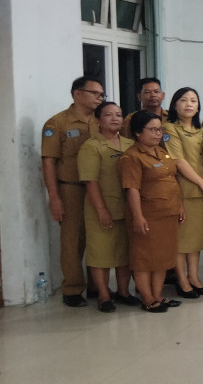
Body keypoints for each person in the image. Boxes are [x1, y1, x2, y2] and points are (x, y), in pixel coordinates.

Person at [42, 76, 103, 307]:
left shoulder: (101, 120)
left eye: (101, 94)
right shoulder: (57, 123)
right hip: (71, 189)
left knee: (98, 236)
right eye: (95, 93)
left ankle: (98, 285)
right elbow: (48, 162)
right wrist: (54, 198)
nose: (100, 98)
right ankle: (73, 289)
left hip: (97, 188)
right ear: (78, 94)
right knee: (72, 241)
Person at [119, 111, 184, 313]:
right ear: (138, 132)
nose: (158, 134)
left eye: (160, 130)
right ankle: (147, 298)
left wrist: (180, 205)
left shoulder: (162, 153)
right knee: (144, 259)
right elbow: (132, 189)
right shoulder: (131, 157)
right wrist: (138, 216)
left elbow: (172, 181)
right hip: (148, 216)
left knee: (163, 258)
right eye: (153, 130)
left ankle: (157, 295)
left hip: (168, 214)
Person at [78, 102, 139, 312]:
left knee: (124, 254)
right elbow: (90, 181)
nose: (115, 119)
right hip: (101, 208)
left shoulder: (131, 144)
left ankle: (123, 291)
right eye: (108, 115)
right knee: (101, 254)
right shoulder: (91, 147)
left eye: (118, 115)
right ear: (98, 121)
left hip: (126, 207)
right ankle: (104, 295)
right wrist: (101, 210)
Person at [163, 87, 203, 297]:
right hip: (184, 190)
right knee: (182, 240)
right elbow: (178, 161)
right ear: (174, 105)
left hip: (202, 193)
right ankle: (181, 280)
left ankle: (194, 277)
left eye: (193, 101)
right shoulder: (170, 129)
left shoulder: (202, 132)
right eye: (183, 100)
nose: (189, 104)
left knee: (196, 239)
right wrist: (202, 183)